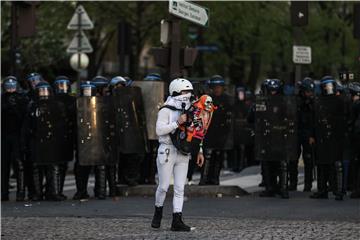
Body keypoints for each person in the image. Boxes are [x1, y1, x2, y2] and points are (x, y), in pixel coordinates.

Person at [151, 78, 204, 231]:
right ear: (175, 91)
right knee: (163, 186)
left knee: (180, 187)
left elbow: (197, 132)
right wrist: (177, 122)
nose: (187, 95)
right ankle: (158, 212)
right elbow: (159, 131)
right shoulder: (166, 109)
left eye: (189, 92)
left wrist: (200, 150)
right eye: (184, 92)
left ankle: (177, 220)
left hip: (183, 151)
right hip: (167, 149)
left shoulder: (192, 110)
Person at [311, 76, 345, 200]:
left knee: (334, 164)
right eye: (326, 86)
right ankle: (322, 190)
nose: (328, 88)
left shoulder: (339, 101)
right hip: (321, 136)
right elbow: (314, 120)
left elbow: (343, 119)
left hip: (335, 136)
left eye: (330, 85)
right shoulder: (318, 100)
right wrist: (312, 135)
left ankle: (337, 189)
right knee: (321, 164)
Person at [199, 75, 233, 185]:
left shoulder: (227, 100)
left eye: (219, 87)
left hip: (221, 132)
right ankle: (204, 178)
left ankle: (215, 178)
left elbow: (230, 117)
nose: (217, 89)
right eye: (215, 87)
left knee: (218, 156)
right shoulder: (207, 99)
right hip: (208, 132)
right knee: (207, 155)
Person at [1, 76, 28, 201]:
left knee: (18, 163)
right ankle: (3, 192)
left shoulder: (22, 98)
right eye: (8, 86)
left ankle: (21, 191)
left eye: (12, 86)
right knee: (3, 164)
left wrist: (14, 107)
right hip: (4, 135)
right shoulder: (2, 99)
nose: (10, 88)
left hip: (17, 135)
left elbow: (24, 118)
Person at [290, 77, 316, 192]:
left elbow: (314, 119)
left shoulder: (313, 102)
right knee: (293, 159)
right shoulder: (296, 101)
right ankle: (293, 183)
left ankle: (308, 184)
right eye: (307, 91)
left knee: (308, 160)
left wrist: (312, 135)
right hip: (296, 132)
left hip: (307, 132)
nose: (309, 94)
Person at [53, 76, 76, 199]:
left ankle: (58, 190)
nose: (62, 87)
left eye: (64, 85)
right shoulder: (52, 99)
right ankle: (55, 191)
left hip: (67, 134)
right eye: (60, 85)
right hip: (57, 135)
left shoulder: (72, 100)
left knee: (63, 164)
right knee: (56, 164)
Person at [347, 82, 360, 198]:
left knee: (355, 163)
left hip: (356, 138)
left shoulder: (355, 105)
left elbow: (351, 121)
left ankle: (356, 188)